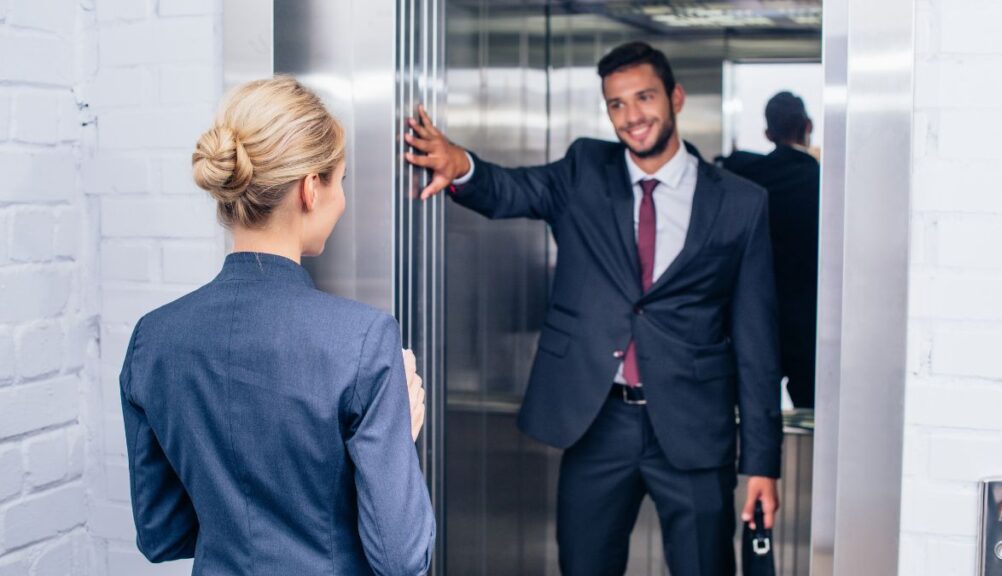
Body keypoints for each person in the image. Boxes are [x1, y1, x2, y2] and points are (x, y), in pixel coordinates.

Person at [404, 42, 781, 575]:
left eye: (644, 98)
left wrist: (763, 463)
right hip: (598, 421)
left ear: (675, 97)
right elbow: (512, 189)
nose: (632, 117)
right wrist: (460, 164)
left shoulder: (740, 202)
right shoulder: (584, 169)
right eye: (617, 104)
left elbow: (757, 340)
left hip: (696, 429)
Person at [119, 76, 434, 576]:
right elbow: (401, 559)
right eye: (341, 180)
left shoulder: (153, 338)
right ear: (311, 188)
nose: (343, 200)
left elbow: (162, 534)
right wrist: (393, 442)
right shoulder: (363, 339)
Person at [723, 91, 820, 408]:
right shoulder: (822, 181)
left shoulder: (745, 177)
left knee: (748, 414)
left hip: (753, 320)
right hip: (808, 323)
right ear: (809, 125)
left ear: (768, 134)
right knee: (811, 417)